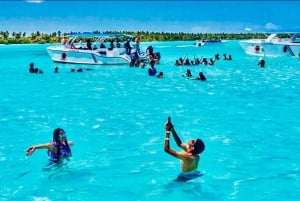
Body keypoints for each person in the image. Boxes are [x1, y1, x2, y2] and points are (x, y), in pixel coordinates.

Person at [164, 117, 205, 181]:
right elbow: (179, 143)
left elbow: (166, 149)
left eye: (193, 141)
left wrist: (167, 131)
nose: (192, 139)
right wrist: (172, 129)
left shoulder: (187, 157)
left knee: (168, 188)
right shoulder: (197, 155)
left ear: (192, 147)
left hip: (185, 177)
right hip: (195, 174)